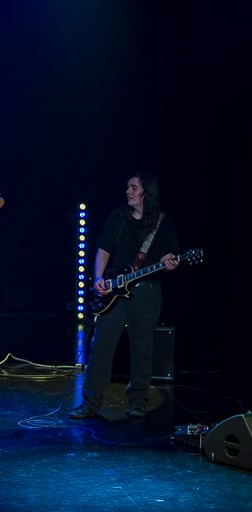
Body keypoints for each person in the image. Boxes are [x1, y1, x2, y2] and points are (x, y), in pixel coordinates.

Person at [69, 173, 180, 420]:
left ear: (146, 192)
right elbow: (104, 249)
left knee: (143, 349)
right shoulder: (117, 218)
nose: (128, 191)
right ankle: (90, 402)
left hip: (147, 293)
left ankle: (138, 401)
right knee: (101, 346)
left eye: (133, 187)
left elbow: (168, 255)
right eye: (127, 187)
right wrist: (98, 277)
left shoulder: (162, 224)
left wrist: (168, 261)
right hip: (114, 292)